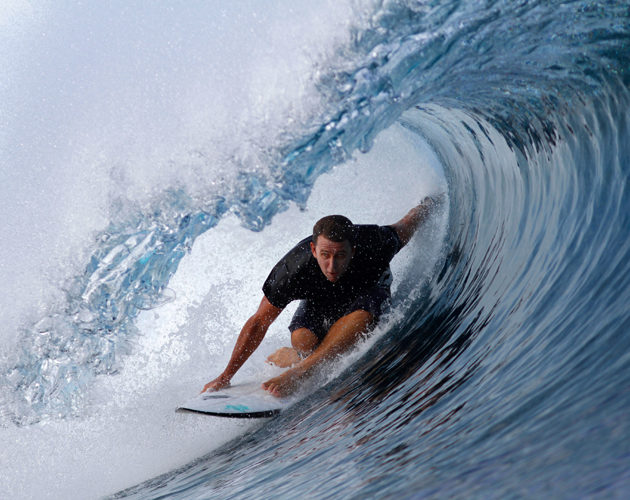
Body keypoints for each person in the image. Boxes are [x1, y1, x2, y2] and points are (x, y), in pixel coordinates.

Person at [202, 195, 441, 397]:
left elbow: (409, 222)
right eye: (325, 255)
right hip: (323, 297)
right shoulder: (292, 271)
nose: (332, 265)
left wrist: (430, 202)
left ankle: (300, 370)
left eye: (340, 255)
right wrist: (225, 376)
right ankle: (297, 355)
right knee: (303, 341)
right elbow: (259, 322)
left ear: (353, 250)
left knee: (361, 320)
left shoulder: (376, 243)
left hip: (369, 289)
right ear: (314, 250)